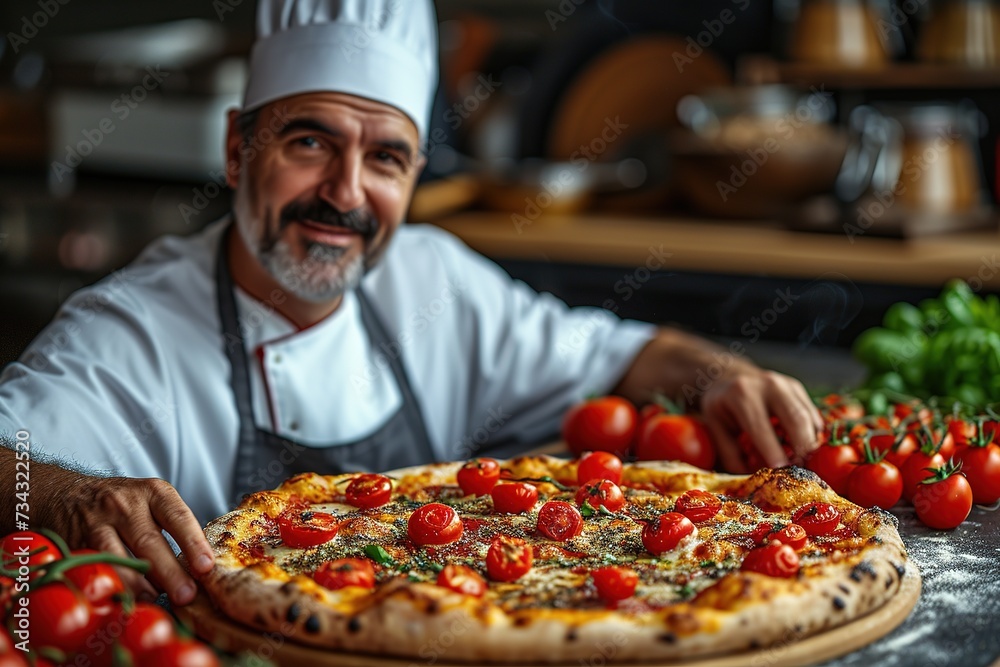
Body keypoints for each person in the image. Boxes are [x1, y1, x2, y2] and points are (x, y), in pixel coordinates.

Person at [0, 0, 821, 607]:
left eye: (386, 157)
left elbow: (620, 352)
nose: (346, 193)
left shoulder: (435, 279)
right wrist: (69, 493)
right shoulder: (128, 333)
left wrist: (716, 372)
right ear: (236, 148)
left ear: (414, 176)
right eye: (310, 141)